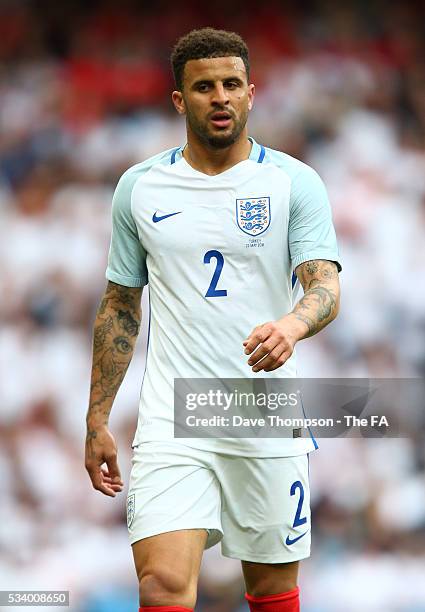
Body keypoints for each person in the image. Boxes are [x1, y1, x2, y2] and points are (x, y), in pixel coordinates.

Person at [85, 27, 341, 612]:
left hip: (265, 413)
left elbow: (324, 283)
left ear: (252, 92)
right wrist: (98, 415)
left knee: (271, 591)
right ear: (181, 100)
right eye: (204, 87)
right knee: (162, 586)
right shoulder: (140, 187)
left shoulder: (293, 183)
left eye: (231, 84)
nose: (219, 97)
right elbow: (121, 304)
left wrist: (292, 327)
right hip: (173, 416)